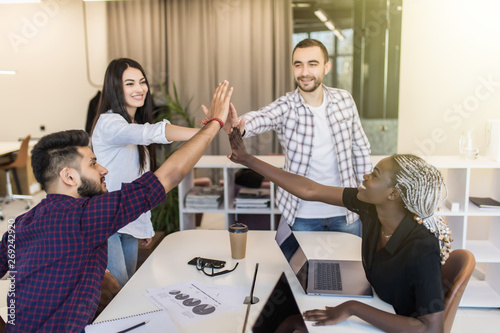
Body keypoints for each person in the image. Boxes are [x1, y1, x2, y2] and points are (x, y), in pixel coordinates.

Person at [0, 81, 233, 332]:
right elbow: (169, 176)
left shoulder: (21, 224)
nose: (104, 169)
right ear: (69, 177)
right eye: (93, 164)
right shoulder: (85, 217)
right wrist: (214, 125)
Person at [228, 127, 452, 332]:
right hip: (380, 305)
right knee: (284, 311)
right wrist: (248, 160)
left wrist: (353, 307)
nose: (365, 176)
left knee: (290, 322)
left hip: (392, 324)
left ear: (393, 194)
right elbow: (310, 189)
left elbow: (431, 329)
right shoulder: (372, 208)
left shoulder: (422, 247)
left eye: (375, 175)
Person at [91, 58, 231, 287]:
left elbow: (139, 181)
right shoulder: (109, 123)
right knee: (117, 291)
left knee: (126, 285)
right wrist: (210, 127)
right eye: (130, 83)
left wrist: (145, 224)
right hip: (107, 222)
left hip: (127, 218)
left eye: (142, 82)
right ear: (114, 87)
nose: (139, 89)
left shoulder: (133, 124)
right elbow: (154, 132)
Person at [228, 38, 371, 235]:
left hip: (346, 212)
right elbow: (261, 117)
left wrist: (366, 196)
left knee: (348, 266)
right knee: (299, 266)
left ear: (326, 67)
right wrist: (239, 126)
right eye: (298, 65)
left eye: (312, 64)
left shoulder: (344, 100)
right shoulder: (286, 106)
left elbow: (360, 148)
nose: (304, 72)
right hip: (301, 215)